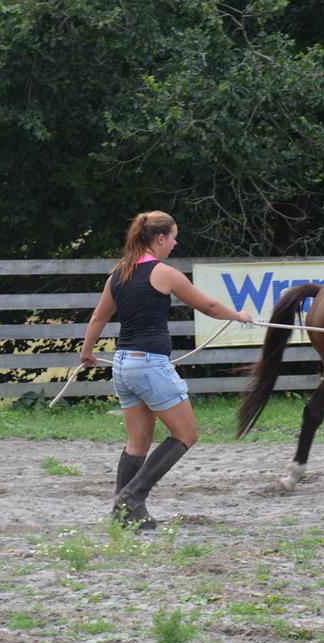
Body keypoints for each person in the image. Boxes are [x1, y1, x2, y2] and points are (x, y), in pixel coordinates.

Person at [79, 211, 252, 530]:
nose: (175, 243)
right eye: (173, 237)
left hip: (123, 365)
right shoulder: (164, 273)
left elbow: (98, 318)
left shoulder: (118, 274)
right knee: (186, 434)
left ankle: (123, 514)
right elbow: (208, 306)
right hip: (149, 365)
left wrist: (87, 351)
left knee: (138, 443)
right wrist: (238, 316)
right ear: (159, 238)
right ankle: (131, 498)